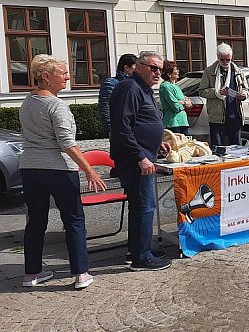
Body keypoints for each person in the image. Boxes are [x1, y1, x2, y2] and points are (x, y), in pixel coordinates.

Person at [19, 55, 106, 289]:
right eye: (63, 73)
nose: (68, 77)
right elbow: (67, 142)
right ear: (46, 77)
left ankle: (31, 275)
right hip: (57, 169)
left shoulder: (27, 102)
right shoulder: (56, 105)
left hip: (30, 168)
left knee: (35, 222)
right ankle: (80, 274)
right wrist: (90, 170)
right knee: (74, 220)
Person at [110, 51, 172, 271]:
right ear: (138, 66)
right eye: (153, 68)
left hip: (146, 154)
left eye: (160, 69)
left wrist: (157, 144)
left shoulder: (143, 89)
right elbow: (122, 128)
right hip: (135, 160)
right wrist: (141, 157)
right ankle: (141, 258)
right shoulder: (130, 88)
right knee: (145, 206)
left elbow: (142, 122)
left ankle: (138, 249)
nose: (158, 73)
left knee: (141, 206)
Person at [198, 43, 248, 146]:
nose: (225, 62)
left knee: (236, 148)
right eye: (222, 60)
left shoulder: (237, 71)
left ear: (231, 58)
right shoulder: (209, 71)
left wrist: (244, 94)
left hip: (235, 115)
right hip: (217, 117)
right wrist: (216, 92)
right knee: (218, 148)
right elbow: (202, 91)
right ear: (218, 57)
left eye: (228, 60)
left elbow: (245, 89)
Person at [98, 53, 137, 135]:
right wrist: (111, 129)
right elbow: (105, 106)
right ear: (126, 68)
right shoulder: (111, 83)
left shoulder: (136, 83)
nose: (137, 70)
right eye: (135, 67)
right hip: (120, 130)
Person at [159, 60, 192, 135]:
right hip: (173, 122)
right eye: (175, 70)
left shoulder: (176, 86)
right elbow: (175, 106)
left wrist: (184, 102)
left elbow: (189, 103)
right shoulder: (165, 86)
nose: (178, 71)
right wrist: (184, 103)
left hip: (183, 121)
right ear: (169, 74)